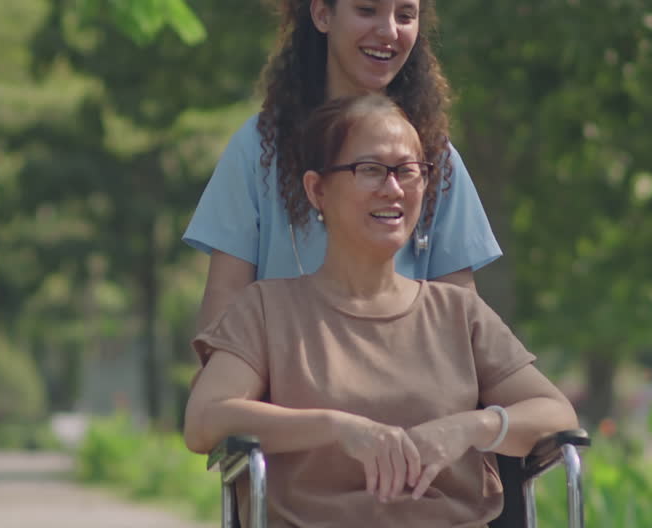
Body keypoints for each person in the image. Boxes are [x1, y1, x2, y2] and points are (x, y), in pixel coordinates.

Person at [184, 95, 577, 527]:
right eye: (370, 170)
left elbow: (554, 412)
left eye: (408, 171)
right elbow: (205, 420)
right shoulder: (267, 310)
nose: (393, 189)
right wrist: (340, 429)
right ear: (317, 190)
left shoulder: (459, 313)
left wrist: (470, 428)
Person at [184, 0, 500, 332]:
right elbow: (224, 300)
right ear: (322, 14)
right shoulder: (259, 148)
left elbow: (461, 312)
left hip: (408, 387)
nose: (388, 31)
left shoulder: (434, 156)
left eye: (406, 15)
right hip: (279, 390)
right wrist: (222, 390)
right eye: (367, 10)